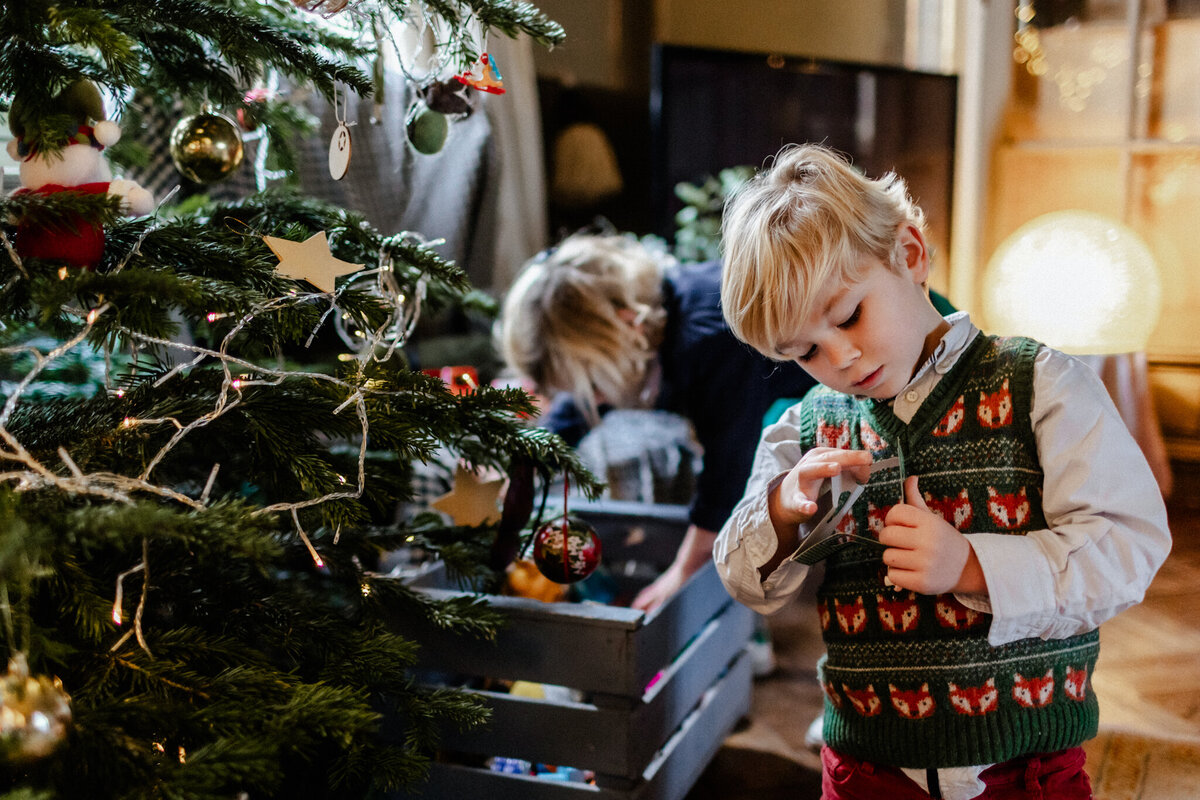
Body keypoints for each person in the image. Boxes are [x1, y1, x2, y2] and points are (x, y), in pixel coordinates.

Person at [713, 143, 1171, 800]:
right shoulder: (807, 429)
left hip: (1026, 766)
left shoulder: (1039, 385)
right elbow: (744, 581)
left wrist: (971, 566)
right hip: (865, 768)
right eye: (806, 350)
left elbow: (1130, 547)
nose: (839, 356)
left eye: (849, 315)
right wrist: (782, 510)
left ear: (910, 254)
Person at [496, 232, 817, 612]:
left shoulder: (712, 336)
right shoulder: (650, 327)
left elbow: (726, 477)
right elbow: (571, 415)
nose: (594, 402)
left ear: (628, 329)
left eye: (595, 387)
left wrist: (680, 573)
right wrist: (521, 468)